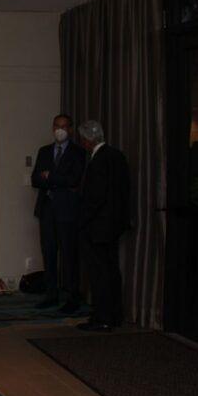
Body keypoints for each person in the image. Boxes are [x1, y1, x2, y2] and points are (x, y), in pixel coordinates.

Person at [76, 120, 131, 332]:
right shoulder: (117, 156)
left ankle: (102, 317)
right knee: (112, 271)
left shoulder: (98, 160)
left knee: (99, 274)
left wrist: (82, 220)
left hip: (97, 227)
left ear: (87, 140)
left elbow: (95, 197)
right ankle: (114, 314)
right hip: (113, 226)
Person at [31, 114, 86, 312]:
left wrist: (50, 176)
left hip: (67, 211)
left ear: (70, 129)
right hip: (46, 209)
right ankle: (51, 295)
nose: (59, 130)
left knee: (69, 254)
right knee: (48, 253)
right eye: (56, 126)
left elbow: (74, 179)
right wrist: (55, 179)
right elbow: (35, 179)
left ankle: (72, 297)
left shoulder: (78, 152)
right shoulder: (44, 151)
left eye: (63, 126)